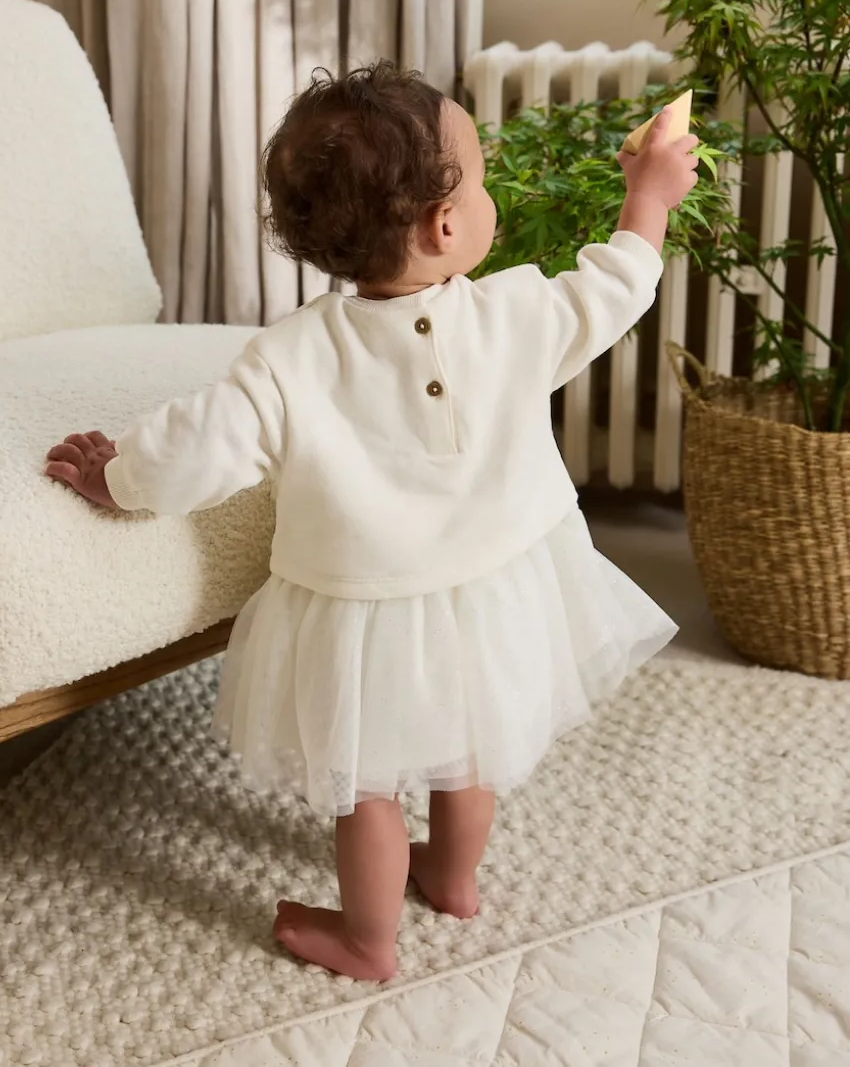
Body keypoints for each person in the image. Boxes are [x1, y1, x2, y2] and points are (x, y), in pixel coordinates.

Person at [46, 62, 697, 982]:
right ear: (444, 225)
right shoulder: (517, 315)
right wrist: (650, 196)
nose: (488, 194)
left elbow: (196, 449)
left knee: (367, 787)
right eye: (480, 180)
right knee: (469, 751)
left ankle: (367, 936)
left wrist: (116, 477)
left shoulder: (289, 359)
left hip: (365, 615)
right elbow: (619, 284)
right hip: (501, 586)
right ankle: (453, 880)